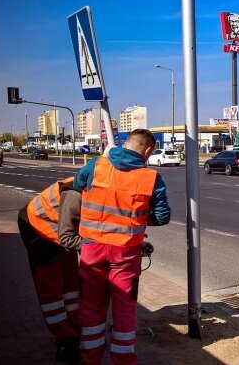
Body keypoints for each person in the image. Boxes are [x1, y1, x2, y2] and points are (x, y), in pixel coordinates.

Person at [73, 129, 171, 364]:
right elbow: (162, 216)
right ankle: (123, 360)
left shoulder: (96, 165)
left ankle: (90, 358)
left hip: (91, 249)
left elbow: (77, 185)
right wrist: (136, 216)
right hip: (125, 254)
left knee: (91, 307)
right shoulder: (150, 177)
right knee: (124, 309)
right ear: (147, 151)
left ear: (125, 144)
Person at [17, 176, 82, 363]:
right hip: (37, 229)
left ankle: (75, 327)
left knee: (71, 282)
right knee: (51, 289)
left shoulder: (104, 180)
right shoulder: (77, 189)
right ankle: (65, 339)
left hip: (63, 231)